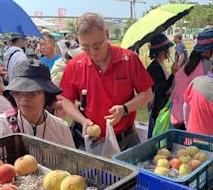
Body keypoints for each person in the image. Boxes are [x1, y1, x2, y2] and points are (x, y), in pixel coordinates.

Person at [59, 12, 153, 150]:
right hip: (91, 142)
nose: (92, 52)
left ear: (107, 35)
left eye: (97, 46)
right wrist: (83, 120)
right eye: (85, 47)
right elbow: (66, 101)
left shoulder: (128, 59)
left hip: (125, 141)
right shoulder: (75, 65)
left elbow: (147, 94)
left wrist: (124, 109)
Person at [0, 59, 75, 148]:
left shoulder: (61, 128)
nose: (24, 99)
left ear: (46, 94)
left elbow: (72, 161)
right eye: (18, 92)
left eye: (32, 93)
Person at [170, 28, 213, 129]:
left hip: (179, 120)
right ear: (211, 50)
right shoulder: (210, 67)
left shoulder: (185, 67)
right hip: (196, 122)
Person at [147, 34, 175, 138]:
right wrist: (173, 74)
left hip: (161, 108)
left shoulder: (159, 65)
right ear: (162, 50)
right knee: (155, 139)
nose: (169, 51)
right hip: (157, 109)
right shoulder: (155, 68)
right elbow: (161, 89)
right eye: (167, 48)